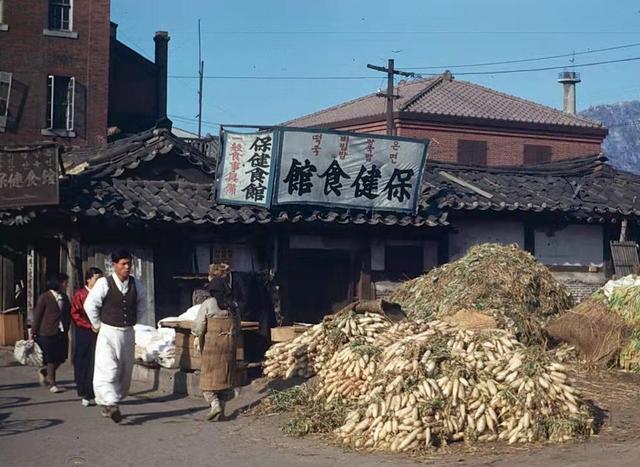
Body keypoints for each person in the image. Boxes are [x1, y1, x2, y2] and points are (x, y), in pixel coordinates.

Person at [84, 250, 147, 423]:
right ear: (114, 265)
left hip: (127, 332)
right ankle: (112, 404)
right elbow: (90, 305)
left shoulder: (136, 284)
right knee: (108, 369)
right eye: (123, 264)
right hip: (108, 332)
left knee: (124, 371)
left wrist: (136, 323)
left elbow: (142, 305)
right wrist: (97, 324)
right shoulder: (104, 283)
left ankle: (108, 403)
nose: (127, 267)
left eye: (129, 264)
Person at [191, 277, 239, 421]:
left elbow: (199, 326)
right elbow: (238, 327)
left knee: (208, 379)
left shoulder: (208, 304)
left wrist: (196, 336)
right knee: (226, 377)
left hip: (212, 347)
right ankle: (222, 410)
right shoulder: (233, 305)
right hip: (229, 346)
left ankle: (215, 404)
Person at [32, 273, 71, 393]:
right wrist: (33, 331)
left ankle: (45, 372)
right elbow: (37, 314)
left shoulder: (64, 297)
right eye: (64, 282)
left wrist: (67, 325)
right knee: (51, 358)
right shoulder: (45, 297)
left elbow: (68, 312)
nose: (66, 285)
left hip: (61, 330)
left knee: (61, 356)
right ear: (58, 283)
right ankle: (52, 383)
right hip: (47, 331)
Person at [70, 267, 103, 407]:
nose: (99, 282)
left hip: (100, 330)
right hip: (84, 330)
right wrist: (89, 325)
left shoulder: (103, 294)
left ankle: (94, 392)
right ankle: (84, 391)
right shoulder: (80, 294)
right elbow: (75, 313)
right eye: (96, 279)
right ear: (88, 279)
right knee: (83, 360)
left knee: (97, 362)